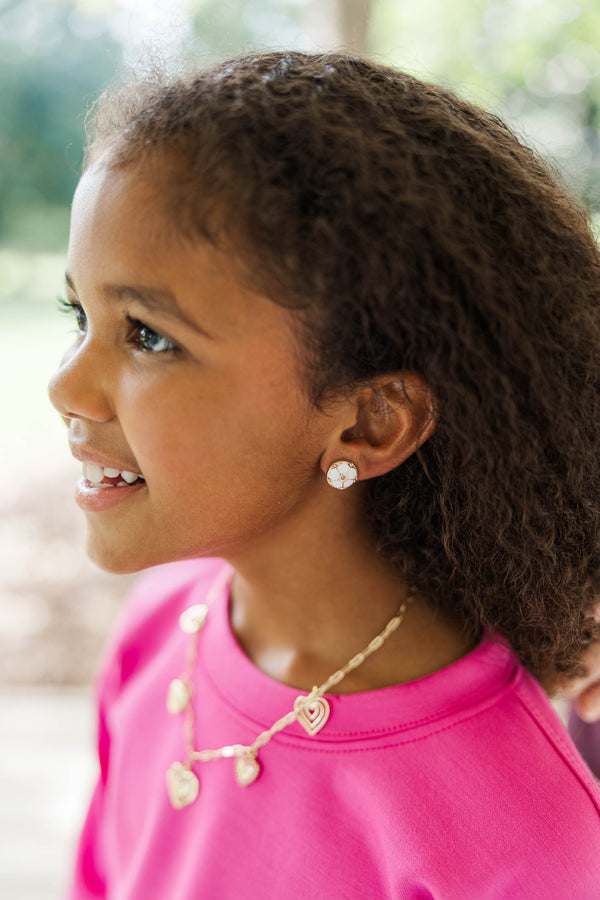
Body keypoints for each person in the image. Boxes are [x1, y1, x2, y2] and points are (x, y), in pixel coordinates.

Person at [48, 51, 600, 899]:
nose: (65, 386)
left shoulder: (529, 836)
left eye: (150, 336)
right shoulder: (167, 622)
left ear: (368, 422)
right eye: (79, 314)